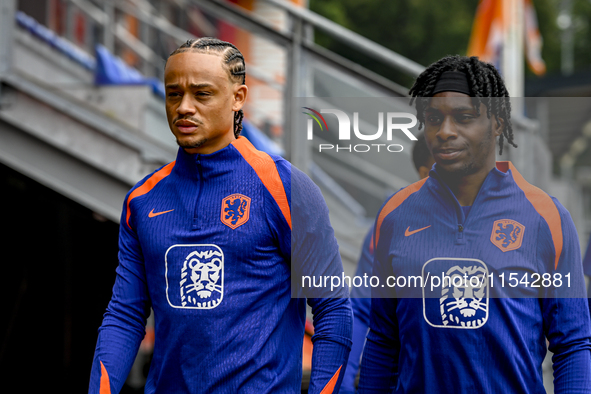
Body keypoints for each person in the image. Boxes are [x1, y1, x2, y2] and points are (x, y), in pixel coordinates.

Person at [88, 38, 352, 394]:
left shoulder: (284, 187)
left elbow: (333, 309)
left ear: (238, 97)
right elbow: (124, 315)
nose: (184, 107)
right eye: (173, 94)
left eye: (202, 94)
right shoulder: (142, 199)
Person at [357, 55, 591, 393]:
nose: (445, 132)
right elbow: (382, 340)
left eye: (464, 118)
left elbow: (572, 344)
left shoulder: (546, 218)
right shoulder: (395, 214)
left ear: (496, 123)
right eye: (434, 119)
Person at [340, 133, 434, 394]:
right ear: (424, 172)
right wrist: (344, 385)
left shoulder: (502, 224)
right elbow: (361, 309)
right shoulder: (392, 222)